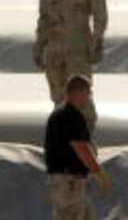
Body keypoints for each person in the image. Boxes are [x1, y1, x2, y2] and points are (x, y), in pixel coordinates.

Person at [34, 0, 107, 131]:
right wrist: (39, 45)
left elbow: (100, 13)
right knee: (58, 96)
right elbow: (43, 17)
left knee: (81, 96)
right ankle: (63, 138)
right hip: (53, 47)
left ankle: (85, 137)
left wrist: (97, 40)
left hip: (78, 46)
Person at [43, 75, 111, 220]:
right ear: (78, 92)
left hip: (64, 181)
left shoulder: (60, 114)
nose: (89, 96)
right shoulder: (71, 116)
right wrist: (98, 172)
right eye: (87, 92)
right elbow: (80, 147)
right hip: (69, 182)